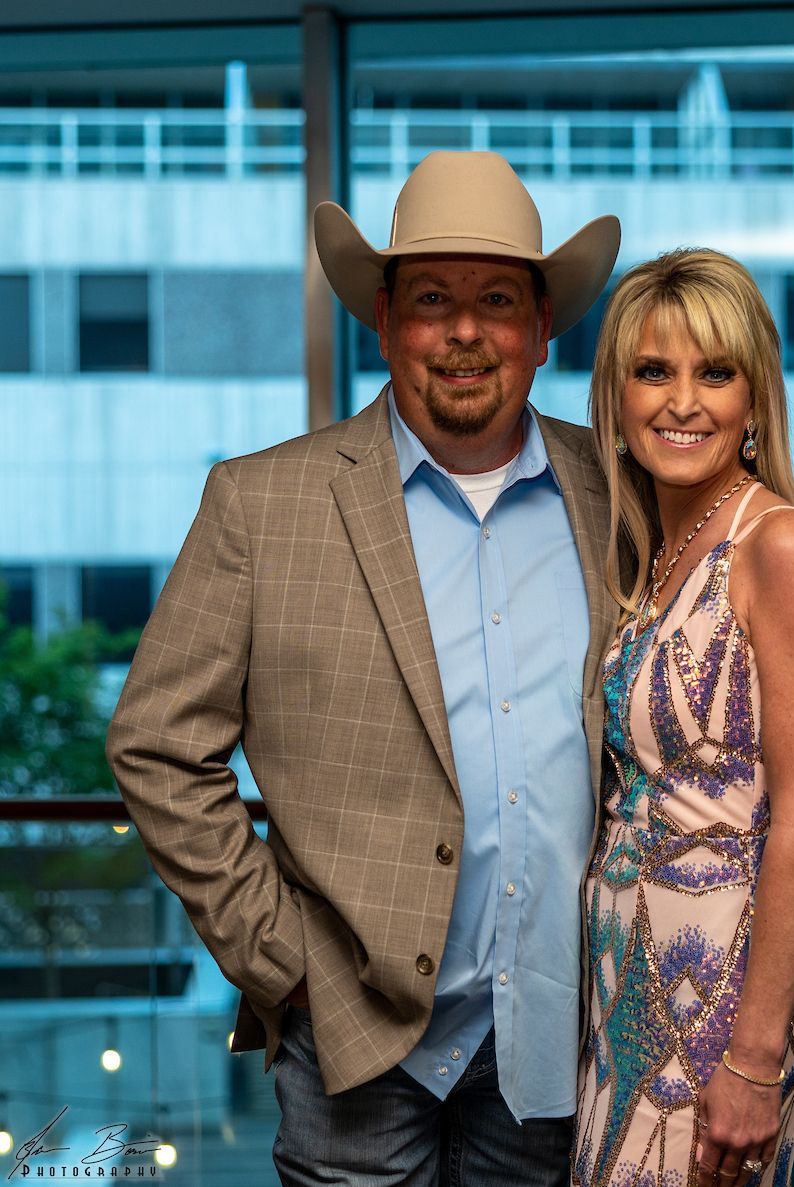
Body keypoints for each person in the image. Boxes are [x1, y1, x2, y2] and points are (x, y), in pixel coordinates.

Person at [106, 150, 621, 1187]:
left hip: (557, 1031)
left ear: (542, 329)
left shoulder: (615, 489)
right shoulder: (261, 504)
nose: (465, 331)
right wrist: (279, 957)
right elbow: (157, 745)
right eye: (431, 300)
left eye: (497, 300)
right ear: (382, 320)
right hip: (354, 1037)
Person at [572, 249, 794, 1187]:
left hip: (719, 1009)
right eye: (654, 371)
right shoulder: (653, 555)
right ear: (616, 398)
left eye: (716, 373)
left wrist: (755, 1058)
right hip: (624, 991)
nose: (683, 402)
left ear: (755, 399)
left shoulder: (784, 544)